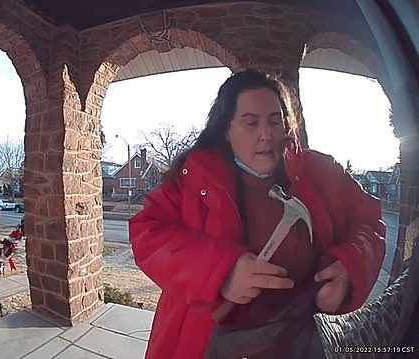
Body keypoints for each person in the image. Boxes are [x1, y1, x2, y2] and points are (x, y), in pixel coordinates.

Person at [128, 69, 386, 358]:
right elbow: (147, 233)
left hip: (296, 341)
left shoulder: (320, 173)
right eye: (251, 123)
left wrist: (350, 267)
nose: (266, 135)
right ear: (226, 130)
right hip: (204, 339)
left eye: (275, 122)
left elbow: (369, 221)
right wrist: (219, 272)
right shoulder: (195, 177)